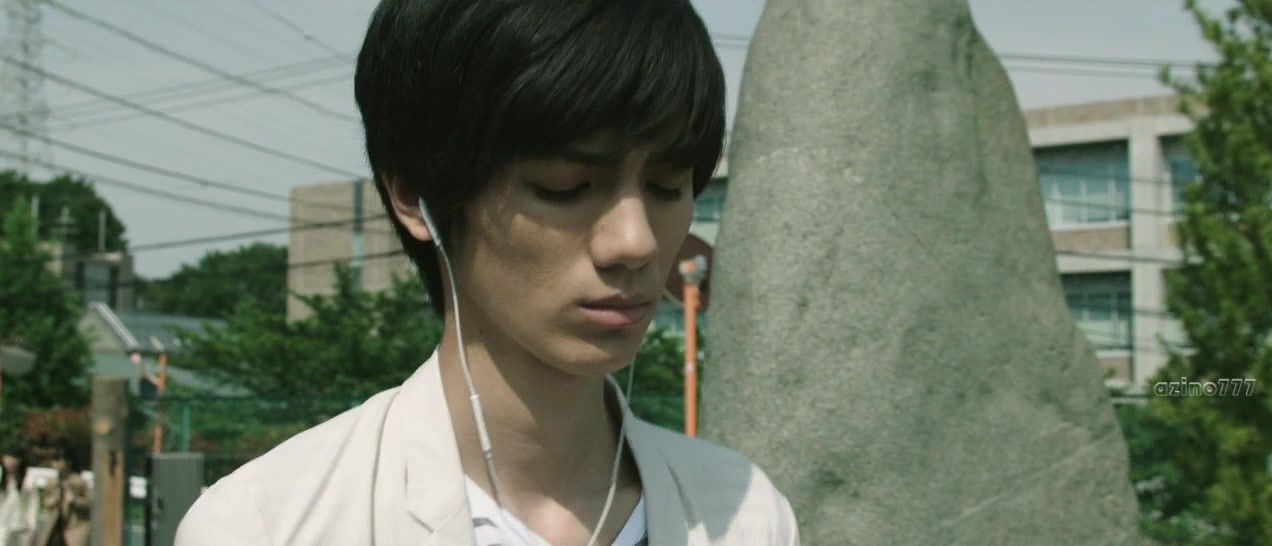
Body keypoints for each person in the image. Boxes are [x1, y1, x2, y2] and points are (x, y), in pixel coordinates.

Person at [176, 1, 800, 544]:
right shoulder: (271, 526)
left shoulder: (745, 515)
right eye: (565, 187)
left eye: (668, 185)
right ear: (415, 195)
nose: (635, 242)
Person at [34, 448, 89, 546]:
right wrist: (52, 501)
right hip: (54, 526)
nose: (57, 464)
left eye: (60, 460)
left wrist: (74, 500)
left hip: (73, 527)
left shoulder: (79, 481)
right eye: (55, 461)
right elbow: (45, 502)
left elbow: (90, 503)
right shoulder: (52, 481)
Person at [0, 446, 35, 546]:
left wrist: (32, 527)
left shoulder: (28, 480)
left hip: (20, 528)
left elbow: (32, 505)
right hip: (2, 528)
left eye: (14, 458)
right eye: (8, 457)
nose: (10, 461)